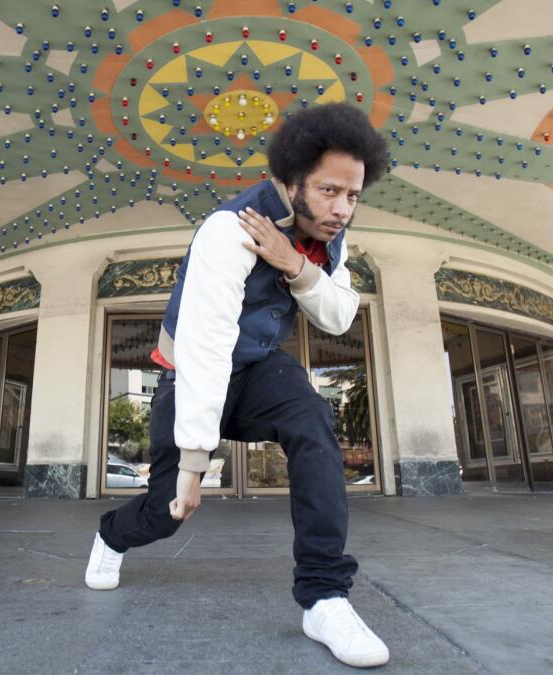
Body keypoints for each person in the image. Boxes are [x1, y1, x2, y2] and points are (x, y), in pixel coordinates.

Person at [85, 103, 391, 668]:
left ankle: (324, 597)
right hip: (193, 374)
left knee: (313, 420)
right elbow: (205, 347)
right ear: (291, 178)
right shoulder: (229, 229)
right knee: (167, 511)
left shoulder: (330, 237)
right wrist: (196, 465)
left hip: (259, 371)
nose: (342, 209)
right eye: (328, 192)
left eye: (353, 195)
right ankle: (111, 536)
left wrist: (296, 267)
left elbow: (340, 316)